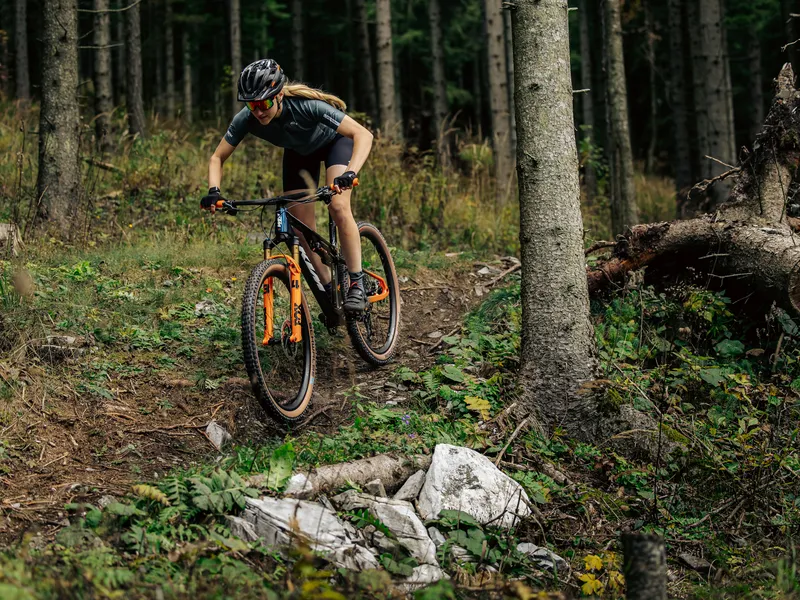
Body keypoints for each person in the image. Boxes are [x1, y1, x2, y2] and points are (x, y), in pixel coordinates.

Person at [201, 58, 374, 313]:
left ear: (279, 94)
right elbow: (217, 157)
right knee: (300, 228)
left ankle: (357, 283)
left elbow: (363, 134)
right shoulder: (246, 119)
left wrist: (350, 173)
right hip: (299, 153)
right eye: (252, 105)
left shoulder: (308, 107)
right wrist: (214, 191)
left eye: (265, 103)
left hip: (335, 143)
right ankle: (329, 292)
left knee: (337, 206)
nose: (258, 111)